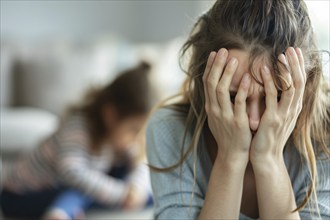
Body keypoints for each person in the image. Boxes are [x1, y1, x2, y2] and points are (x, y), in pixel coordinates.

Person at [146, 0, 330, 219]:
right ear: (206, 81)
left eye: (276, 97)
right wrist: (230, 158)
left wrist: (269, 159)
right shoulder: (170, 130)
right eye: (234, 96)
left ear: (304, 84)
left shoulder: (325, 134)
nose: (253, 121)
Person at [1, 62, 155, 220]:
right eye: (134, 130)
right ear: (111, 115)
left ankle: (70, 208)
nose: (138, 139)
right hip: (20, 196)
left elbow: (139, 160)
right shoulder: (79, 126)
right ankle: (59, 214)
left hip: (62, 187)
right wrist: (120, 194)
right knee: (79, 189)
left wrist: (136, 189)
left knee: (145, 192)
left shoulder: (120, 138)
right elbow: (71, 172)